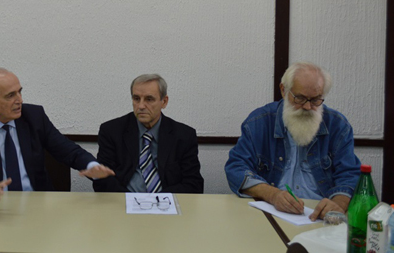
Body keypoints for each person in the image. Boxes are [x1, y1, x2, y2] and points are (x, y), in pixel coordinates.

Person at [0, 68, 115, 211]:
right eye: (10, 95)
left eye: (20, 92)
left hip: (38, 207)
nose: (19, 100)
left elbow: (68, 150)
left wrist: (92, 166)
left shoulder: (34, 117)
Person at [225, 62, 361, 221]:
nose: (308, 107)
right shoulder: (260, 122)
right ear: (284, 90)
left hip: (321, 216)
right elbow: (236, 167)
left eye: (316, 100)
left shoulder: (338, 125)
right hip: (271, 213)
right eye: (300, 98)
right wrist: (272, 195)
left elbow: (350, 174)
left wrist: (337, 204)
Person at [93, 74, 204, 193]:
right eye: (136, 99)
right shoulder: (112, 131)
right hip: (123, 200)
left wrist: (157, 200)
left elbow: (193, 184)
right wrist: (131, 200)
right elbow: (102, 180)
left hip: (167, 201)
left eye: (149, 99)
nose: (141, 106)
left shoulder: (184, 135)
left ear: (164, 101)